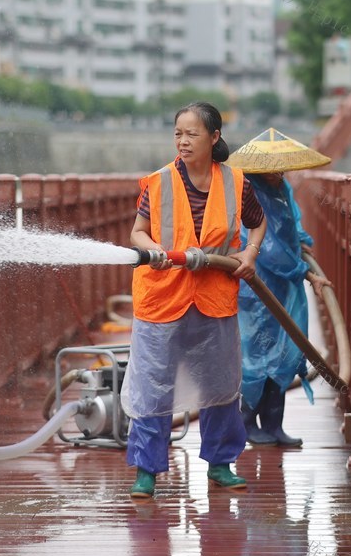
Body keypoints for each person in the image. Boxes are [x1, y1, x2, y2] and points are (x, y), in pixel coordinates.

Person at [121, 101, 267, 499]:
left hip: (215, 294)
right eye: (178, 134)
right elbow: (138, 232)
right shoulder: (160, 181)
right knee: (154, 383)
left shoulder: (237, 182)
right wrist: (156, 250)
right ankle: (146, 471)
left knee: (220, 382)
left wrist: (249, 254)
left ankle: (221, 464)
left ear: (214, 137)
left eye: (192, 134)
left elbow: (257, 223)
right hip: (163, 295)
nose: (183, 142)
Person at [237, 170, 331, 447]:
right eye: (272, 170)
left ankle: (274, 424)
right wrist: (305, 272)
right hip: (258, 285)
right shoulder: (248, 192)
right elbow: (267, 248)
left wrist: (301, 240)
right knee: (258, 357)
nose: (278, 174)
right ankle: (246, 422)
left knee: (286, 351)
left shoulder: (282, 189)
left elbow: (292, 222)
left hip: (286, 287)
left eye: (281, 169)